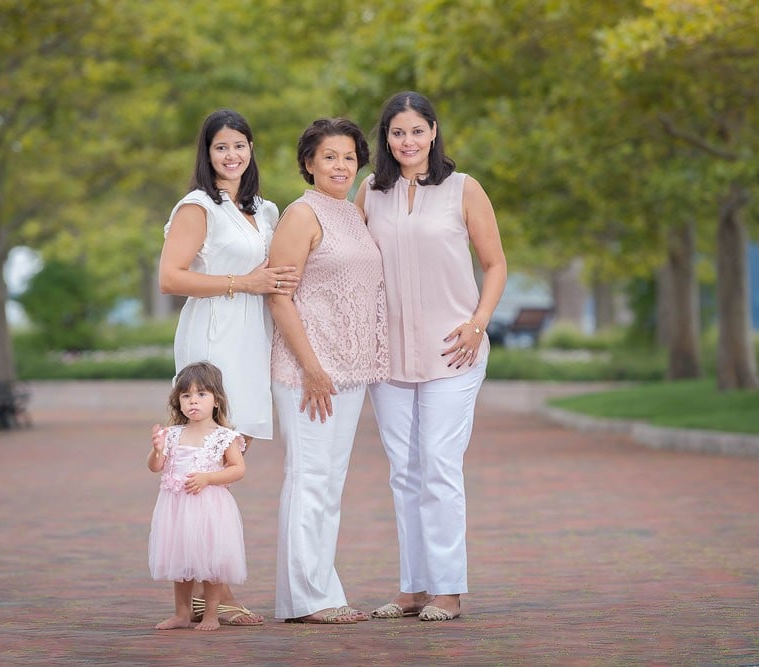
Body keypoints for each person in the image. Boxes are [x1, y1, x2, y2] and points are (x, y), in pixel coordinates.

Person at [355, 91, 507, 622]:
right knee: (404, 470)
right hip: (389, 355)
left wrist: (478, 323)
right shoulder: (370, 192)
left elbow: (494, 265)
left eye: (417, 131)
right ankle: (413, 586)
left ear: (434, 132)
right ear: (386, 138)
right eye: (397, 133)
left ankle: (448, 589)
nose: (407, 142)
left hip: (454, 351)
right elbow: (350, 260)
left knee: (439, 466)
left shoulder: (465, 190)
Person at [158, 108, 299, 625]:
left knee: (227, 465)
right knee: (202, 463)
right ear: (207, 153)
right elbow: (170, 278)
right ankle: (205, 592)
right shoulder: (198, 207)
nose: (232, 155)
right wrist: (243, 282)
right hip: (214, 340)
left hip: (252, 341)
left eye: (240, 144)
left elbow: (280, 275)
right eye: (221, 147)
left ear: (251, 148)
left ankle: (209, 589)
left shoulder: (265, 210)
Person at [267, 118, 390, 624]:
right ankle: (306, 599)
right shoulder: (301, 214)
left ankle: (320, 590)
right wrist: (313, 368)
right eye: (328, 157)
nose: (340, 165)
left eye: (347, 157)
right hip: (308, 372)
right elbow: (279, 295)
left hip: (350, 369)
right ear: (309, 163)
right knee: (310, 478)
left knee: (329, 482)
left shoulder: (353, 213)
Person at [147, 361, 248, 632]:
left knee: (211, 562)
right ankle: (182, 613)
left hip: (209, 507)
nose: (193, 401)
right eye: (186, 395)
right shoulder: (172, 434)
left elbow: (238, 469)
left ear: (216, 400)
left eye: (201, 394)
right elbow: (156, 467)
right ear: (178, 401)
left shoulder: (224, 437)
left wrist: (208, 478)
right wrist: (157, 450)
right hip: (176, 508)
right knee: (181, 562)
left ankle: (211, 614)